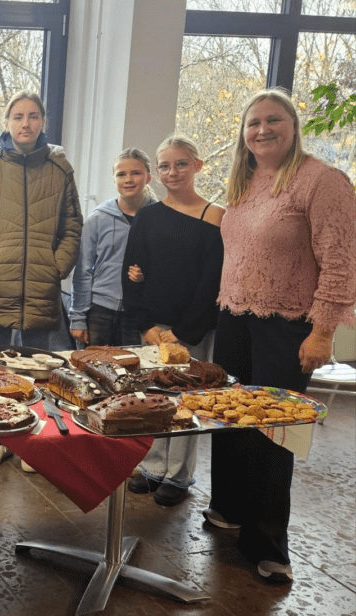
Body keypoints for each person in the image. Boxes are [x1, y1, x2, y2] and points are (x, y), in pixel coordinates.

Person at [208, 88, 355, 583]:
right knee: (229, 416)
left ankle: (268, 543)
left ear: (293, 127)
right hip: (234, 317)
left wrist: (322, 332)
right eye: (254, 122)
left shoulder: (322, 180)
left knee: (276, 430)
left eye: (274, 120)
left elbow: (341, 263)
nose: (262, 129)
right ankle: (228, 509)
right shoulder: (244, 180)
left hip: (288, 324)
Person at [0, 91, 82, 470]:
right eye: (18, 116)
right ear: (7, 122)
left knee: (36, 370)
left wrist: (56, 267)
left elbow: (72, 225)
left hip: (41, 287)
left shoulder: (60, 169)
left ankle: (30, 442)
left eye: (33, 116)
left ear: (43, 122)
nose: (25, 123)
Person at [122, 135, 224, 507]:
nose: (172, 172)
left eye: (181, 164)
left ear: (197, 166)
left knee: (186, 400)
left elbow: (212, 282)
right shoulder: (148, 215)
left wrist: (182, 333)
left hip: (192, 329)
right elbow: (132, 271)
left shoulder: (215, 215)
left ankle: (179, 475)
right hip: (154, 329)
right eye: (165, 166)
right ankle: (152, 467)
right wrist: (146, 326)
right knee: (154, 397)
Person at [69, 148, 157, 347]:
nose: (128, 180)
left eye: (136, 173)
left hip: (139, 314)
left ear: (148, 177)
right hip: (98, 311)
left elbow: (163, 268)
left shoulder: (159, 218)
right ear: (114, 179)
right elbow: (83, 270)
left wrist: (146, 275)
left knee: (134, 364)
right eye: (121, 174)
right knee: (92, 363)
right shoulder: (98, 219)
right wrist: (78, 318)